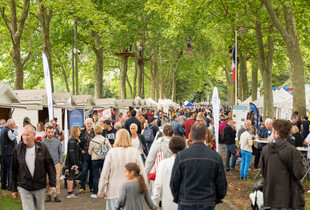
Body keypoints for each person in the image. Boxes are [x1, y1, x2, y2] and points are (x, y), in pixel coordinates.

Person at [170, 123, 227, 209]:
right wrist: (216, 198)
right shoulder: (215, 156)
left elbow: (174, 181)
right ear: (205, 136)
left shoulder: (181, 156)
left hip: (187, 200)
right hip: (207, 201)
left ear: (190, 135)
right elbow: (221, 183)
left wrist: (179, 198)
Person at [260, 119, 305, 209]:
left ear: (276, 132)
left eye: (273, 131)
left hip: (270, 196)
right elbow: (299, 174)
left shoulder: (266, 150)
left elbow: (263, 172)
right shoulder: (293, 151)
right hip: (287, 196)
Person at [98, 129, 146, 210]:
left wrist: (101, 190)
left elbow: (105, 174)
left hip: (114, 190)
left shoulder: (111, 153)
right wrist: (144, 188)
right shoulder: (135, 152)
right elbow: (142, 172)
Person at [11, 125, 56, 210]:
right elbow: (13, 169)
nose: (25, 137)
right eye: (23, 135)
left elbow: (50, 166)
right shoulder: (17, 149)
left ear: (34, 135)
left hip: (40, 186)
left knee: (39, 208)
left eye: (27, 135)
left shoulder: (42, 148)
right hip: (24, 187)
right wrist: (13, 189)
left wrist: (52, 184)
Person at [152, 136, 186, 210]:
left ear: (170, 148)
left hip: (168, 202)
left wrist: (155, 203)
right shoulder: (188, 163)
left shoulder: (163, 163)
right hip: (185, 202)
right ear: (184, 147)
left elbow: (158, 184)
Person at [88, 125, 112, 198]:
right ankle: (104, 192)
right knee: (105, 176)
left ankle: (95, 193)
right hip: (104, 159)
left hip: (95, 159)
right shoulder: (105, 139)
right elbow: (110, 149)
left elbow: (89, 152)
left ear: (95, 132)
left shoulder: (92, 140)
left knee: (95, 176)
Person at [41, 126, 62, 202]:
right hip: (46, 164)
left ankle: (56, 195)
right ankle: (48, 194)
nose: (50, 133)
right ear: (46, 132)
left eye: (52, 132)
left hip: (56, 164)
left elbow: (60, 152)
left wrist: (60, 162)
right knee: (47, 180)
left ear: (54, 132)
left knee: (57, 180)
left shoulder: (57, 142)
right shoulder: (43, 142)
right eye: (49, 132)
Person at [0, 119, 18, 190]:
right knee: (10, 169)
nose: (15, 125)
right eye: (14, 124)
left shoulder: (3, 130)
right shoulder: (8, 130)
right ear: (11, 125)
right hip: (8, 153)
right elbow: (12, 138)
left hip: (3, 153)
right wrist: (16, 130)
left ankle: (3, 185)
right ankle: (10, 185)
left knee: (3, 169)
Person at [79, 118, 95, 193]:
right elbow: (77, 143)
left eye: (90, 123)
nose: (89, 125)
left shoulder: (95, 132)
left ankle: (91, 187)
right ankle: (82, 187)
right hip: (84, 153)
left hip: (93, 154)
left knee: (92, 171)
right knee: (84, 171)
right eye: (88, 123)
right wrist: (80, 150)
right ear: (85, 124)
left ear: (92, 124)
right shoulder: (81, 132)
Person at [65, 126, 81, 198]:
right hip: (71, 163)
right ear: (75, 132)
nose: (80, 132)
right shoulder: (72, 141)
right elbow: (71, 153)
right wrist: (74, 163)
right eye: (78, 131)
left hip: (73, 162)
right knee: (70, 177)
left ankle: (71, 191)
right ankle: (70, 192)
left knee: (72, 176)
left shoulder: (75, 140)